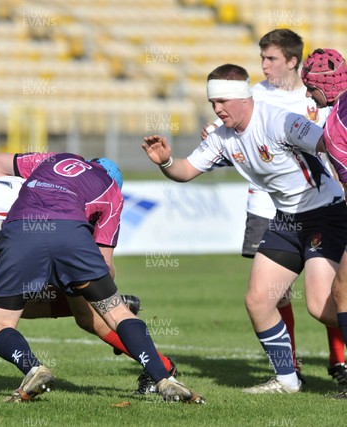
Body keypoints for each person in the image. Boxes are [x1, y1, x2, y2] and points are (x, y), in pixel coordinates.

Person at [0, 153, 205, 404]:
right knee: (107, 313)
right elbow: (105, 266)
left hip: (25, 230)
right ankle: (164, 376)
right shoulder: (111, 193)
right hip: (69, 231)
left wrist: (7, 260)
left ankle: (34, 368)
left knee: (0, 326)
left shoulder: (53, 160)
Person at [143, 63, 347, 394]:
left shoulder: (280, 120)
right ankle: (287, 380)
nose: (217, 109)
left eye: (222, 101)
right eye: (212, 103)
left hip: (326, 214)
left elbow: (329, 144)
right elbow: (185, 170)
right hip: (285, 220)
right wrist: (165, 161)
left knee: (321, 307)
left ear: (243, 97)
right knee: (258, 301)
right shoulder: (222, 137)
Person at [200, 29, 345, 386]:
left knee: (328, 294)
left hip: (322, 205)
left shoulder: (322, 106)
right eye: (262, 58)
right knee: (269, 294)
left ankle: (338, 361)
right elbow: (237, 145)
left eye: (272, 59)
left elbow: (327, 148)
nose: (264, 66)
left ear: (293, 63)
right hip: (269, 207)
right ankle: (288, 372)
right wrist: (217, 143)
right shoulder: (253, 98)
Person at [301, 47, 347, 397]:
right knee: (322, 302)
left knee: (341, 294)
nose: (308, 94)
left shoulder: (334, 128)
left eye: (311, 87)